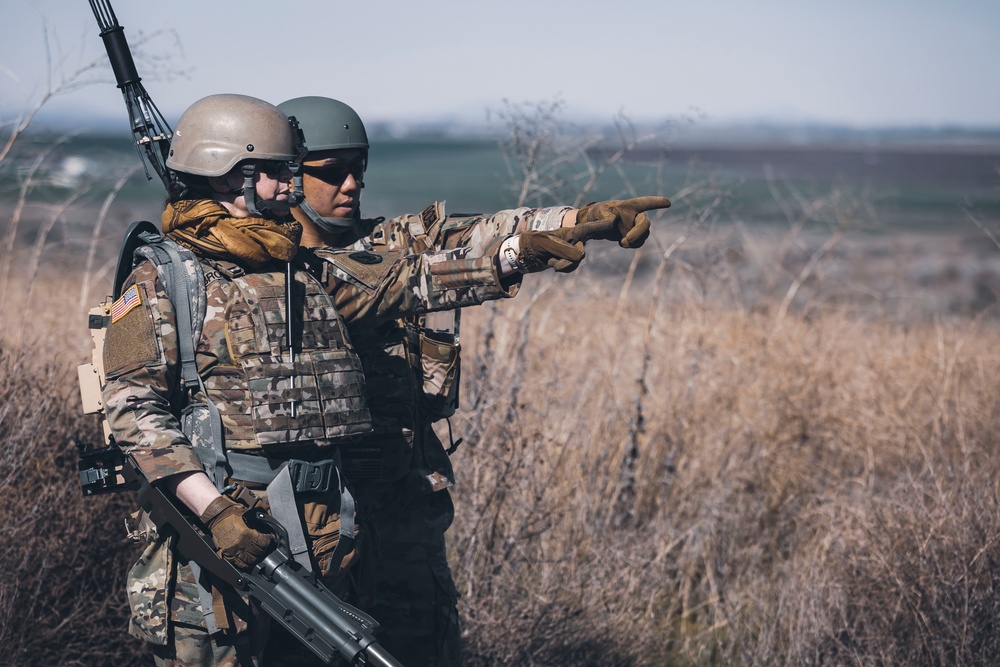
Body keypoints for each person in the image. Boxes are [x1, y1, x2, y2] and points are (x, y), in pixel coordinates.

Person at [101, 93, 550, 667]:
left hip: (316, 541)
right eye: (271, 172)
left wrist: (513, 254)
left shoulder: (299, 269)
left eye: (290, 170)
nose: (289, 185)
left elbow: (408, 282)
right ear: (224, 175)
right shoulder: (164, 279)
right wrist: (214, 512)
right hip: (211, 550)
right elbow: (134, 413)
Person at [278, 95, 671, 667]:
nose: (351, 185)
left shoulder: (384, 243)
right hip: (317, 518)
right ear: (287, 177)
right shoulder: (269, 280)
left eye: (359, 168)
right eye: (331, 172)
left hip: (403, 506)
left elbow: (475, 233)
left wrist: (576, 220)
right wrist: (508, 257)